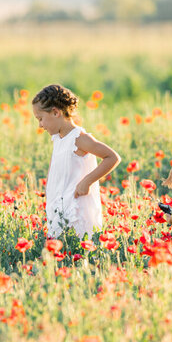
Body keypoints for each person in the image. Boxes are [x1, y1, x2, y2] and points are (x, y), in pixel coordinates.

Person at [31, 84, 120, 239]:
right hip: (60, 206)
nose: (40, 125)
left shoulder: (78, 138)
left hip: (76, 208)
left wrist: (87, 181)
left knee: (78, 247)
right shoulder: (58, 139)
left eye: (41, 119)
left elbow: (112, 157)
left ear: (55, 112)